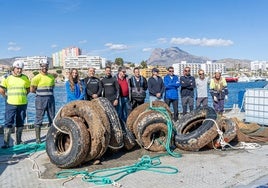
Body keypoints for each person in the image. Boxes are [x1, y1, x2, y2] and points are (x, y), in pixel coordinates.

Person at [0, 60, 30, 148]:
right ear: (14, 68)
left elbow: (28, 89)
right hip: (10, 104)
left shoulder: (25, 78)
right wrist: (6, 97)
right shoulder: (7, 78)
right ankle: (6, 143)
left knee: (20, 122)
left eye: (21, 69)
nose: (19, 70)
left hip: (22, 104)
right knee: (8, 122)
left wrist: (22, 96)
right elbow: (1, 89)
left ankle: (19, 141)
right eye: (17, 68)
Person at [30, 59, 55, 144]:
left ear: (48, 66)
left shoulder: (51, 77)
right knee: (39, 118)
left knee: (52, 118)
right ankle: (38, 139)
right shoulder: (36, 78)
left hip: (51, 99)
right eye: (43, 65)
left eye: (46, 65)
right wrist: (40, 94)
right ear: (40, 66)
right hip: (40, 99)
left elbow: (52, 87)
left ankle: (52, 136)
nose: (45, 67)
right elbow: (32, 90)